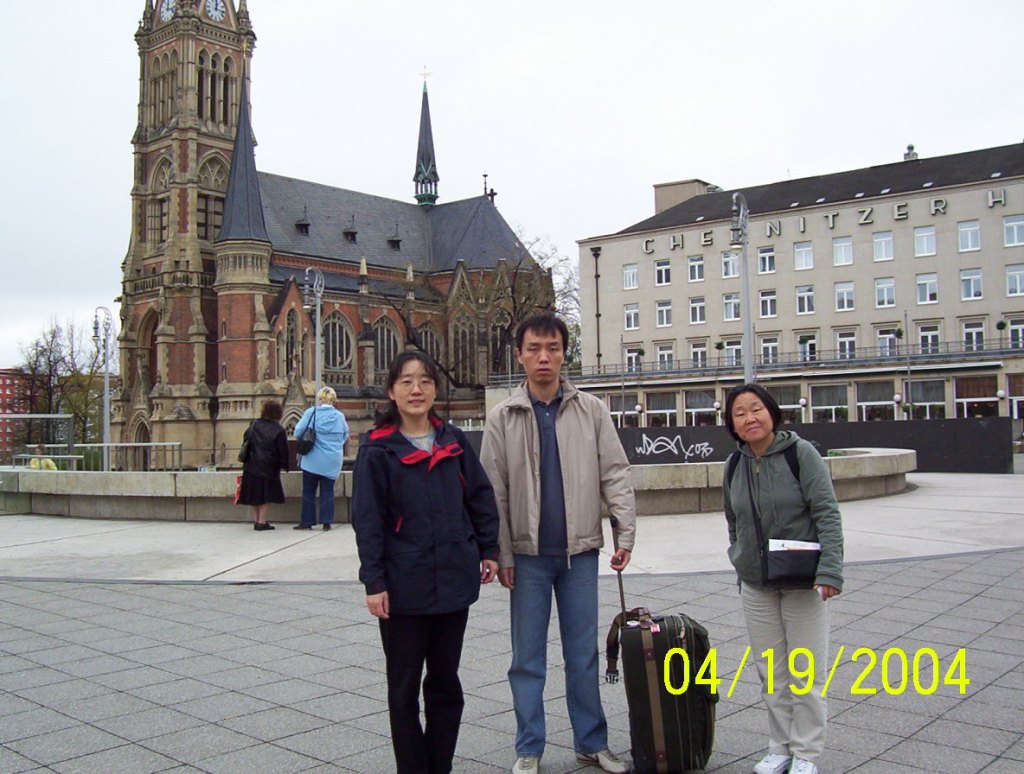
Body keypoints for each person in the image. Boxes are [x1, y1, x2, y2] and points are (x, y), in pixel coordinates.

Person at [480, 312, 635, 774]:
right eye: (534, 349)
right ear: (520, 355)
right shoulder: (503, 416)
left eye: (552, 348)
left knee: (583, 655)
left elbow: (615, 473)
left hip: (579, 553)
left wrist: (624, 532)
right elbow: (493, 491)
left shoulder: (591, 410)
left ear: (565, 353)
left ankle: (592, 742)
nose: (543, 357)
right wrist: (501, 552)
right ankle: (529, 747)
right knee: (527, 659)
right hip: (527, 557)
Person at [352, 351, 500, 774]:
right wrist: (374, 582)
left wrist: (488, 549)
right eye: (406, 382)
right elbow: (367, 521)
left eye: (425, 381)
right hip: (403, 587)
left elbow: (480, 497)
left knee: (445, 684)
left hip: (453, 580)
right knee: (403, 690)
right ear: (391, 392)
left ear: (435, 389)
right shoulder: (377, 450)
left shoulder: (453, 442)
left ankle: (440, 765)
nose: (416, 390)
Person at [722, 383, 844, 774]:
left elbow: (826, 513)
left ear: (771, 412)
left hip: (801, 578)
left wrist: (830, 570)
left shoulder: (800, 453)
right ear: (732, 424)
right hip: (757, 584)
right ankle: (780, 747)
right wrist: (739, 558)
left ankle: (806, 753)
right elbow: (733, 520)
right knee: (770, 672)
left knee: (805, 671)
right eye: (740, 413)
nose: (750, 418)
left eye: (756, 409)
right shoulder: (735, 464)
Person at [293, 385, 349, 530]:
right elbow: (345, 436)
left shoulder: (312, 412)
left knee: (309, 491)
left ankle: (307, 521)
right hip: (332, 460)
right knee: (328, 490)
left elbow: (298, 431)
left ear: (320, 399)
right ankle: (326, 521)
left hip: (312, 459)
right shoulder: (339, 416)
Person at [237, 400, 289, 531]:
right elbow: (283, 450)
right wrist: (285, 465)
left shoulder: (254, 424)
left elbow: (246, 439)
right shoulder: (279, 430)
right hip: (269, 467)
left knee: (254, 494)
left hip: (251, 464)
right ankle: (262, 521)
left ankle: (256, 520)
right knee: (265, 495)